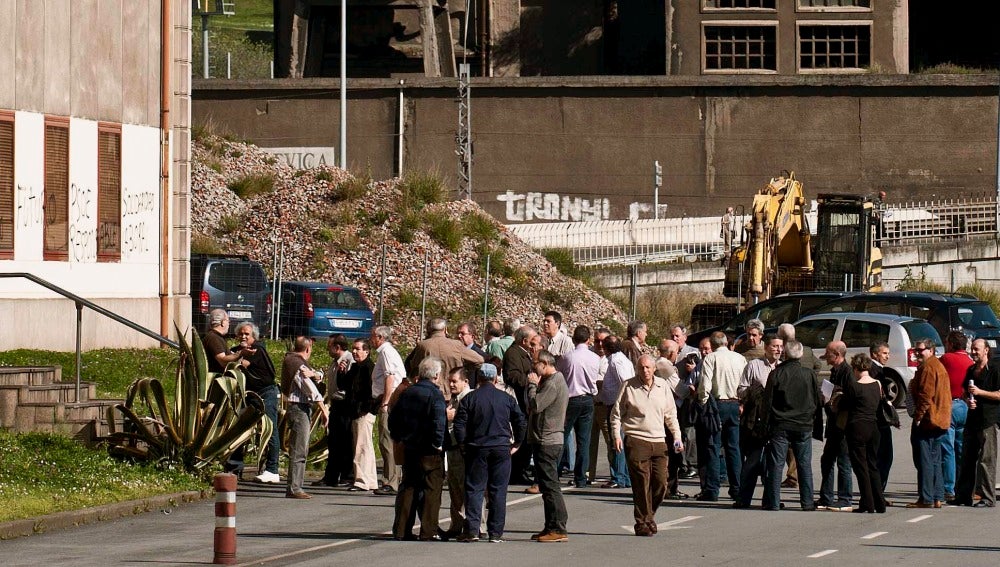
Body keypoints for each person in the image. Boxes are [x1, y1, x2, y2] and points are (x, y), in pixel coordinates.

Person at [611, 355, 684, 536]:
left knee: (661, 483)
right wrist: (616, 436)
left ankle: (649, 516)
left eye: (648, 368)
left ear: (654, 369)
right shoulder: (628, 386)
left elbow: (670, 414)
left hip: (659, 440)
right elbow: (616, 414)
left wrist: (677, 436)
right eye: (641, 367)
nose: (645, 371)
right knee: (641, 482)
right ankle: (642, 522)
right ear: (637, 369)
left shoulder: (662, 386)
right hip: (636, 439)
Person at [454, 363, 527, 543]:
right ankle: (495, 532)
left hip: (477, 446)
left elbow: (459, 424)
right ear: (496, 378)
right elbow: (520, 420)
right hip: (501, 447)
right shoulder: (506, 398)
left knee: (474, 488)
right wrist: (517, 441)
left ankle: (472, 529)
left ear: (478, 378)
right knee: (498, 490)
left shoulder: (470, 399)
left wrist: (462, 443)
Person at [388, 357, 448, 541]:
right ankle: (428, 531)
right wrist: (438, 443)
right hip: (429, 448)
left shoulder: (407, 392)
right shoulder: (435, 395)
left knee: (408, 487)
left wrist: (399, 437)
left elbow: (393, 418)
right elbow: (439, 421)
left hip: (410, 446)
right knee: (432, 489)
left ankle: (401, 529)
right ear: (436, 375)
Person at [761, 340, 821, 511]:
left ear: (785, 354)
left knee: (776, 464)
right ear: (801, 355)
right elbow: (817, 400)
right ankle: (807, 502)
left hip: (781, 424)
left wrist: (764, 427)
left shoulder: (777, 374)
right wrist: (814, 422)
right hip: (803, 424)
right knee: (804, 464)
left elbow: (767, 403)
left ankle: (773, 502)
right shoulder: (808, 374)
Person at [696, 331, 746, 502]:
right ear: (726, 342)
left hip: (717, 404)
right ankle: (737, 488)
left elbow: (705, 384)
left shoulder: (711, 359)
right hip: (735, 403)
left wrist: (702, 402)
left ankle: (712, 489)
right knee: (733, 448)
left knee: (713, 447)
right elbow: (744, 382)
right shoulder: (739, 358)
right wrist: (742, 403)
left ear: (713, 343)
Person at [526, 350, 570, 543]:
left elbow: (536, 405)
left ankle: (558, 527)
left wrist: (532, 386)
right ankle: (550, 525)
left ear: (544, 364)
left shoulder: (552, 383)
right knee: (546, 486)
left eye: (535, 363)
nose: (533, 367)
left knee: (551, 487)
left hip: (548, 440)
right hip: (545, 438)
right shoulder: (553, 380)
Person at [733, 335, 782, 508]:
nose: (778, 350)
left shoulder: (782, 368)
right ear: (766, 347)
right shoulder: (754, 365)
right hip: (755, 421)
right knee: (752, 460)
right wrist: (756, 393)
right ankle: (743, 498)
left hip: (775, 421)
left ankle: (771, 499)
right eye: (775, 346)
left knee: (772, 463)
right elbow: (741, 389)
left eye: (780, 347)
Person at [951, 338, 1000, 507]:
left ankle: (987, 498)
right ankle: (963, 496)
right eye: (971, 349)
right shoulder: (971, 370)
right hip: (972, 420)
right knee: (966, 459)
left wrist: (980, 392)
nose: (973, 352)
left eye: (976, 349)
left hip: (988, 420)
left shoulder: (995, 369)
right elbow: (965, 392)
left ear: (986, 350)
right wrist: (967, 400)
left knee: (986, 460)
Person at [231, 322, 280, 484]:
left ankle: (272, 469)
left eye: (247, 334)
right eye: (241, 334)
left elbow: (242, 362)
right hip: (249, 395)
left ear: (254, 337)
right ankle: (235, 467)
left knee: (270, 429)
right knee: (239, 429)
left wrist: (236, 358)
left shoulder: (257, 350)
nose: (244, 336)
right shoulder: (239, 351)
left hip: (266, 393)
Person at [280, 336, 329, 499]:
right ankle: (295, 488)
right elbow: (309, 387)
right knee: (299, 449)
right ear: (308, 349)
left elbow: (317, 375)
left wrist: (315, 374)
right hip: (299, 408)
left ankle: (296, 486)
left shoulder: (296, 361)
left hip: (301, 408)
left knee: (301, 448)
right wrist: (323, 408)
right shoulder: (296, 363)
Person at [906, 338, 951, 509]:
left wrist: (918, 416)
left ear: (931, 350)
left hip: (929, 420)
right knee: (934, 460)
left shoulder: (928, 367)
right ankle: (937, 496)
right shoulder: (936, 365)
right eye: (915, 350)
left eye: (920, 350)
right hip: (939, 419)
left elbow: (926, 395)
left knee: (924, 460)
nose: (917, 354)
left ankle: (926, 498)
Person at [775, 323, 820, 489]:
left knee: (790, 448)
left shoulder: (785, 352)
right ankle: (805, 496)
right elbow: (818, 365)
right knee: (801, 453)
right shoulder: (806, 349)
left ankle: (792, 476)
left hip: (788, 406)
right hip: (805, 405)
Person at [839, 353, 885, 513]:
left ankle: (867, 502)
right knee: (873, 465)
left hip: (857, 427)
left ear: (856, 368)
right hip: (874, 427)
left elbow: (845, 404)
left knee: (861, 467)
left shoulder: (854, 385)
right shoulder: (877, 384)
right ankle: (880, 502)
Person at [556, 325, 599, 489]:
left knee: (562, 436)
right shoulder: (595, 358)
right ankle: (581, 477)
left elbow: (559, 373)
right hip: (588, 399)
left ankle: (556, 472)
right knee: (584, 440)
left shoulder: (568, 357)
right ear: (588, 340)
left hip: (570, 399)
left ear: (574, 339)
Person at [406, 318, 484, 401]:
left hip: (429, 394)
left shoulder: (422, 346)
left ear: (428, 330)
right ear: (445, 329)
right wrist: (463, 369)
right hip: (451, 393)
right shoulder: (456, 345)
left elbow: (412, 368)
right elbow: (479, 360)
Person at [817, 341, 854, 512]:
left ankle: (845, 498)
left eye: (829, 353)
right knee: (827, 460)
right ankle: (826, 497)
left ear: (837, 355)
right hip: (833, 424)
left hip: (843, 425)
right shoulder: (835, 371)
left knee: (843, 462)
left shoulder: (847, 372)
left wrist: (833, 398)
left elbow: (850, 398)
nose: (826, 356)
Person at [315, 335, 355, 488]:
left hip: (345, 404)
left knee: (345, 441)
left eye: (329, 346)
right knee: (334, 441)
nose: (327, 349)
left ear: (337, 347)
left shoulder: (349, 361)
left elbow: (349, 383)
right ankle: (331, 476)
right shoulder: (335, 362)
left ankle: (347, 475)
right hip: (336, 405)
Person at [371, 325, 406, 496]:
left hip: (390, 401)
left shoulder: (386, 352)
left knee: (387, 440)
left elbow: (390, 377)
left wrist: (385, 402)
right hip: (390, 400)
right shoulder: (385, 352)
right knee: (385, 440)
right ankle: (389, 477)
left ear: (380, 337)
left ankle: (391, 481)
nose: (371, 340)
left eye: (373, 337)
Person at [938, 330, 972, 500]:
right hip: (965, 405)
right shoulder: (970, 361)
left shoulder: (946, 359)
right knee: (961, 449)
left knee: (947, 449)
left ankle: (948, 488)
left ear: (951, 344)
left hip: (950, 404)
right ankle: (962, 486)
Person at [503, 325, 538, 487]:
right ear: (524, 341)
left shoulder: (524, 353)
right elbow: (512, 376)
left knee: (526, 438)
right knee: (521, 436)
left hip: (526, 401)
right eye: (532, 342)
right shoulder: (513, 353)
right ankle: (516, 471)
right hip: (519, 400)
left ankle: (520, 470)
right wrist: (530, 380)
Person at [597, 335, 633, 490]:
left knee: (617, 441)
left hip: (616, 406)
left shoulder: (617, 362)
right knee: (618, 442)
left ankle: (619, 476)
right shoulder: (617, 360)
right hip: (614, 404)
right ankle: (623, 476)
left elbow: (625, 382)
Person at [443, 367, 475, 539]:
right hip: (453, 449)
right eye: (450, 381)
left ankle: (475, 525)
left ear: (465, 382)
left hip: (464, 449)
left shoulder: (469, 399)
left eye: (455, 381)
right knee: (455, 490)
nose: (451, 384)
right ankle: (456, 525)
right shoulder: (453, 400)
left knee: (469, 489)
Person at [655, 339, 688, 498]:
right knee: (673, 447)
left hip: (661, 413)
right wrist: (691, 388)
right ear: (670, 353)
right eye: (675, 352)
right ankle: (669, 487)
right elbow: (680, 390)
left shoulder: (658, 364)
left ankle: (670, 487)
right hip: (669, 414)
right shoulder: (664, 366)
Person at [347, 339, 378, 492]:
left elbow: (372, 391)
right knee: (365, 446)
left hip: (363, 411)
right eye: (353, 349)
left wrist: (366, 409)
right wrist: (342, 373)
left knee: (361, 447)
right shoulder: (354, 367)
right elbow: (345, 386)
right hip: (356, 411)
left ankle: (361, 480)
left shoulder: (369, 368)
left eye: (357, 349)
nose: (354, 352)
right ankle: (370, 480)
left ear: (367, 351)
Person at [869, 342, 897, 496]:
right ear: (875, 354)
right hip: (879, 421)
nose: (887, 356)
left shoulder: (878, 369)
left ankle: (877, 491)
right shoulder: (874, 371)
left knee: (882, 458)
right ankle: (877, 492)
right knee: (884, 457)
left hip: (879, 419)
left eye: (888, 353)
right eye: (884, 353)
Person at [587, 327, 613, 485]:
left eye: (604, 341)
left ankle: (615, 473)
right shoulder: (588, 355)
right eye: (597, 340)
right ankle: (588, 473)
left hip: (604, 405)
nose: (600, 344)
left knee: (610, 441)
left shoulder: (612, 358)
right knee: (588, 441)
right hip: (590, 404)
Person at [201, 308, 249, 374]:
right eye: (228, 321)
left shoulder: (215, 336)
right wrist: (240, 353)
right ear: (223, 322)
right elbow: (223, 361)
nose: (229, 324)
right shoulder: (214, 338)